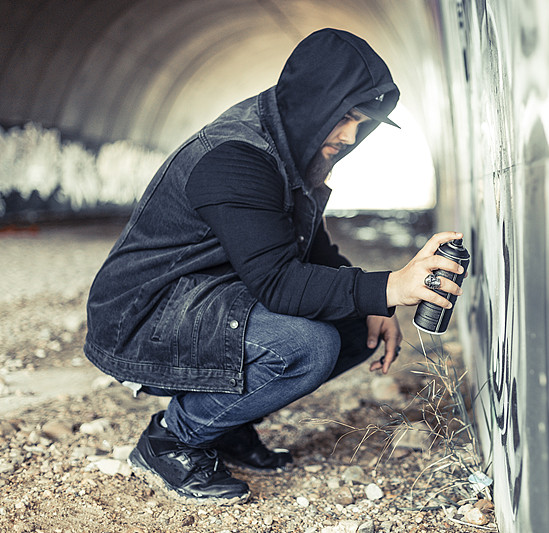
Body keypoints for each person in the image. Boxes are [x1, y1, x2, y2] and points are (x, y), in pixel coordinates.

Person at [83, 28, 464, 505]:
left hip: (202, 300)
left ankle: (225, 427)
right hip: (142, 318)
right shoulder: (238, 157)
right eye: (343, 118)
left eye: (361, 123)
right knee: (307, 345)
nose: (349, 137)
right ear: (311, 102)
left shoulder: (292, 148)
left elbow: (310, 246)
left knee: (351, 325)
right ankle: (172, 440)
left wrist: (373, 301)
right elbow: (280, 284)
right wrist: (390, 286)